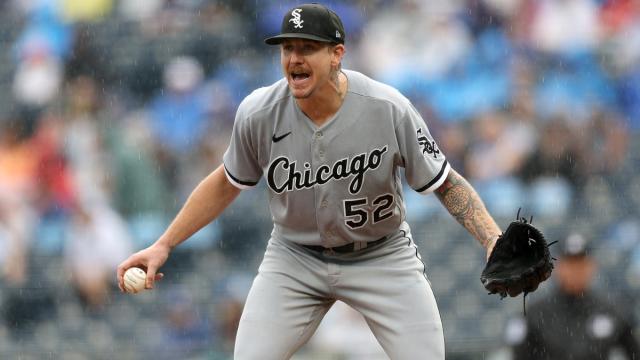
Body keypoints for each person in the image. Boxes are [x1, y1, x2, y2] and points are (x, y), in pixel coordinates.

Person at [117, 4, 502, 359]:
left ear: (337, 54)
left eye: (308, 48)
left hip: (382, 255)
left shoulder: (388, 108)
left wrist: (491, 237)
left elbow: (445, 183)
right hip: (294, 258)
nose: (295, 59)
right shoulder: (259, 112)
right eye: (287, 49)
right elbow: (226, 182)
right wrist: (164, 243)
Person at [505, 232, 640, 359]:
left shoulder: (611, 310)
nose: (575, 271)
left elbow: (634, 352)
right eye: (570, 264)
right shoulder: (535, 313)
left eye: (580, 264)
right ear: (557, 267)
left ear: (591, 267)